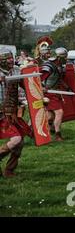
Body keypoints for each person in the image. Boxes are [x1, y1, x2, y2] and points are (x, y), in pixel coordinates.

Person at [0, 49, 33, 178]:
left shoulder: (16, 71)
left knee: (19, 144)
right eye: (8, 58)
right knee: (16, 140)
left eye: (12, 58)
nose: (11, 60)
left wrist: (38, 89)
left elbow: (26, 86)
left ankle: (9, 170)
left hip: (11, 113)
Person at [40, 47, 69, 142]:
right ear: (59, 57)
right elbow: (39, 79)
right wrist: (42, 88)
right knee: (59, 112)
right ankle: (58, 134)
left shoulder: (59, 66)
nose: (66, 59)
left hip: (55, 93)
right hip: (48, 93)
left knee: (50, 116)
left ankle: (35, 130)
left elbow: (59, 79)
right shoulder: (49, 66)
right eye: (65, 57)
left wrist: (68, 88)